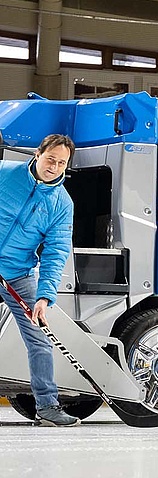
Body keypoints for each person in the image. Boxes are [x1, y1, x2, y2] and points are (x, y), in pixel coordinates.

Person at [0, 134, 79, 427]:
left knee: (40, 336)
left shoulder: (62, 204)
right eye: (51, 159)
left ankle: (47, 406)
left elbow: (56, 252)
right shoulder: (5, 174)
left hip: (17, 272)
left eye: (62, 163)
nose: (55, 167)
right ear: (37, 153)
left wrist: (44, 297)